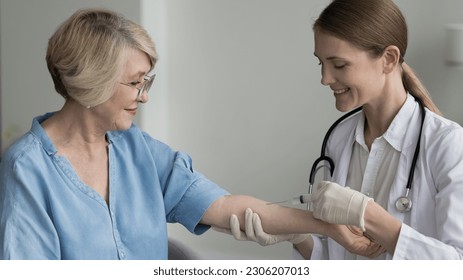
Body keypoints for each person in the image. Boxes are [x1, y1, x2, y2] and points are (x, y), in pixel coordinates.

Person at [0, 8, 381, 260]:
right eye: (135, 83)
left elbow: (223, 207)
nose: (144, 96)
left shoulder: (137, 150)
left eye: (146, 81)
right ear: (92, 82)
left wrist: (324, 226)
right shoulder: (27, 171)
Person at [227, 0, 463, 260]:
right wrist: (300, 237)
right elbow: (337, 256)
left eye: (339, 65)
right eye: (321, 64)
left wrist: (366, 213)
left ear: (388, 59)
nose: (325, 79)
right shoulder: (339, 140)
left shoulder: (447, 145)